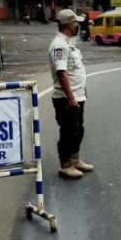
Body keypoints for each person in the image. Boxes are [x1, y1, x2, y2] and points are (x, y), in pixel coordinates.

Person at [48, 9, 93, 179]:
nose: (78, 26)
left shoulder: (69, 43)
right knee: (67, 132)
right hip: (66, 98)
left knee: (78, 130)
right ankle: (65, 165)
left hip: (78, 95)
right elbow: (61, 73)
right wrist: (71, 97)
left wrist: (79, 94)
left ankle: (75, 159)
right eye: (75, 23)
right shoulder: (58, 45)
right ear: (68, 24)